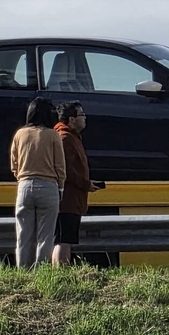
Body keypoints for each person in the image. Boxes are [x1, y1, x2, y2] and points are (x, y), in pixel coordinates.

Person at [10, 96, 66, 268]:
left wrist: (23, 177)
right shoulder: (52, 135)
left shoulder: (20, 134)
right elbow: (60, 166)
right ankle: (40, 271)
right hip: (48, 186)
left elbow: (14, 164)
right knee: (45, 236)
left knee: (23, 235)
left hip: (25, 185)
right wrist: (61, 187)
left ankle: (22, 271)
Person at [52, 101, 102, 266]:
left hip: (71, 199)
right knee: (64, 239)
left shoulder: (71, 137)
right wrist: (85, 183)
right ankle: (61, 274)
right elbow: (67, 171)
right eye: (81, 114)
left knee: (64, 238)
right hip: (67, 200)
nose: (85, 118)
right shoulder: (65, 138)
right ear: (71, 119)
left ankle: (58, 273)